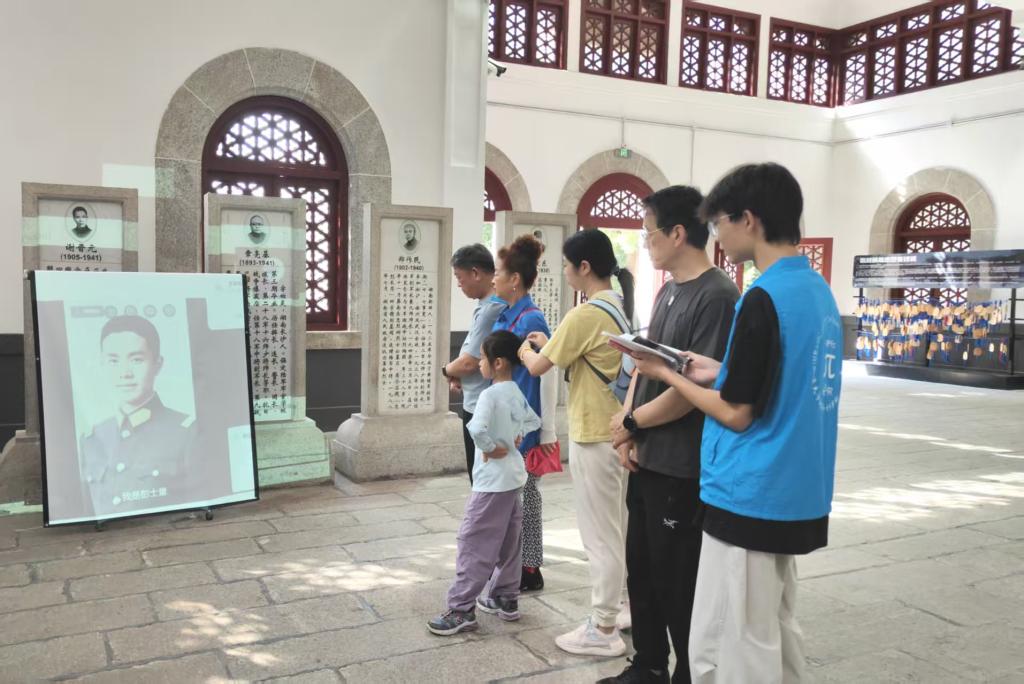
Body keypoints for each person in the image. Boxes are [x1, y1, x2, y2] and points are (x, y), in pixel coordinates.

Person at [630, 163, 842, 683]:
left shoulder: (761, 296)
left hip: (752, 491)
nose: (717, 235)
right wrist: (716, 368)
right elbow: (778, 376)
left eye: (720, 222)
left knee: (729, 640)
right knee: (773, 626)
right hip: (797, 490)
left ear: (748, 220)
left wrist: (667, 373)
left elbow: (736, 412)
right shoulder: (814, 290)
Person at [603, 186, 738, 684]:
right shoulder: (668, 290)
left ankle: (688, 671)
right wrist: (628, 428)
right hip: (648, 453)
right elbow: (647, 366)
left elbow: (690, 391)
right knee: (641, 567)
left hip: (682, 463)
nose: (646, 241)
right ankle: (649, 663)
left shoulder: (718, 296)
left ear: (678, 233)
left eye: (649, 232)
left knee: (678, 577)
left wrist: (632, 424)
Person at [518, 228, 635, 657]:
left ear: (584, 267)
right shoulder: (617, 307)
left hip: (594, 433)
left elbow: (538, 367)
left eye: (567, 265)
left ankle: (603, 628)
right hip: (618, 434)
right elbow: (577, 352)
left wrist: (523, 351)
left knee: (600, 536)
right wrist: (546, 345)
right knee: (618, 529)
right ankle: (624, 607)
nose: (565, 272)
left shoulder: (584, 313)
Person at [427, 330, 542, 636]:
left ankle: (461, 609)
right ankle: (505, 597)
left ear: (498, 363)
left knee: (474, 540)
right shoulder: (516, 391)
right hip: (513, 478)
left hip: (491, 481)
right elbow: (534, 421)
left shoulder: (489, 396)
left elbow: (476, 429)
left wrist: (490, 447)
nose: (479, 364)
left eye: (482, 358)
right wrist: (517, 436)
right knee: (509, 541)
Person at [491, 234, 558, 591]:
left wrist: (546, 431)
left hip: (523, 425)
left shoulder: (532, 319)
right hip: (505, 419)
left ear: (514, 279)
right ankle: (510, 563)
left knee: (526, 496)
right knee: (510, 496)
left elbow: (546, 375)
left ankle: (529, 568)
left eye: (498, 273)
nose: (494, 279)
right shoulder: (506, 315)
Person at [80, 315, 196, 516]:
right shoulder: (92, 437)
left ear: (157, 364)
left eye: (136, 360)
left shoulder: (188, 432)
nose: (125, 373)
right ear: (102, 365)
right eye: (113, 361)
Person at [444, 244, 504, 483]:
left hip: (482, 405)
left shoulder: (491, 309)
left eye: (460, 277)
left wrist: (447, 370)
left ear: (476, 273)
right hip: (476, 400)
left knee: (482, 479)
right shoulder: (486, 306)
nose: (459, 284)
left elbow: (469, 363)